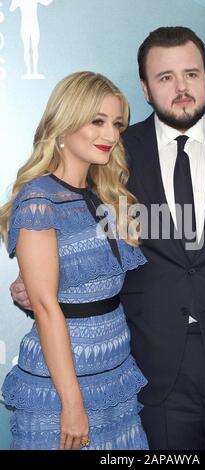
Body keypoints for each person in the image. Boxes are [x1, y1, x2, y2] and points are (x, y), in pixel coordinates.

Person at [10, 27, 205, 450]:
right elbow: (75, 228)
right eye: (166, 77)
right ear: (145, 88)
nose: (181, 87)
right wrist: (42, 286)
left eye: (191, 74)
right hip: (153, 370)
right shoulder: (112, 154)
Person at [0, 71, 148, 450]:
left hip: (114, 370)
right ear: (64, 126)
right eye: (97, 121)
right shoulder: (39, 200)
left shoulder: (106, 194)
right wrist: (72, 403)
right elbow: (47, 307)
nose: (111, 136)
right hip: (66, 382)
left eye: (116, 124)